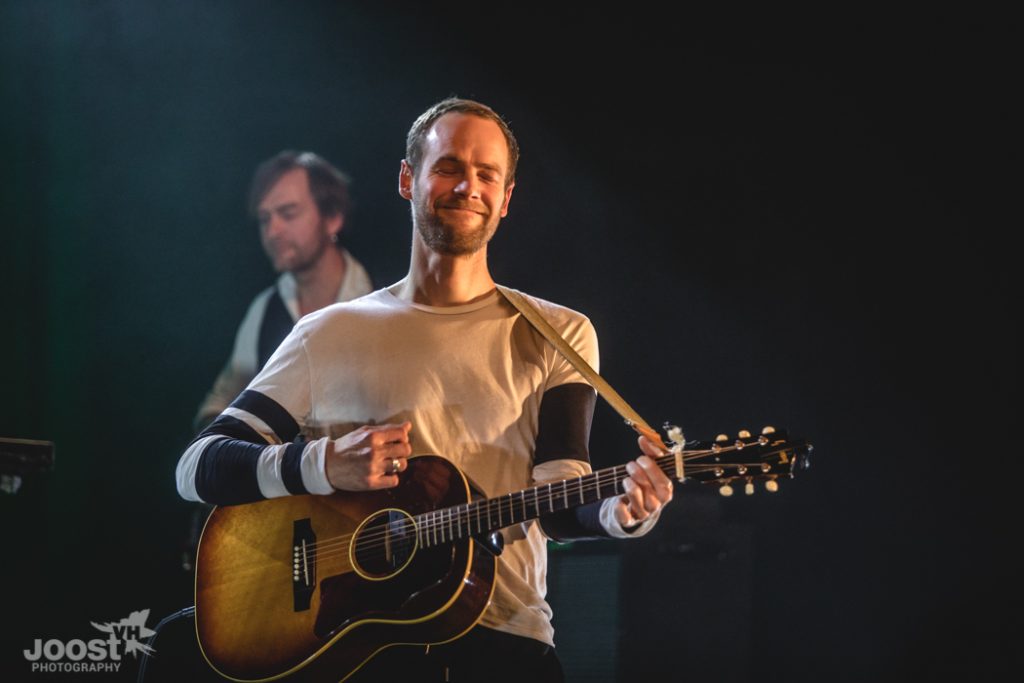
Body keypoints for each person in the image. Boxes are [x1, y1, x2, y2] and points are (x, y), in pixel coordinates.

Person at [175, 98, 673, 682]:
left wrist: (621, 511)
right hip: (357, 650)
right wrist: (323, 464)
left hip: (505, 642)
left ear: (506, 198)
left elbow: (559, 495)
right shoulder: (328, 332)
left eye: (487, 174)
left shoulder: (558, 334)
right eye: (448, 166)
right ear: (409, 178)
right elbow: (196, 467)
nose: (468, 186)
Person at [192, 150, 374, 431]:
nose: (272, 231)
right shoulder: (265, 309)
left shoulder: (383, 298)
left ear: (333, 218)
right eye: (265, 219)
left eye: (288, 213)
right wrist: (218, 447)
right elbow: (221, 403)